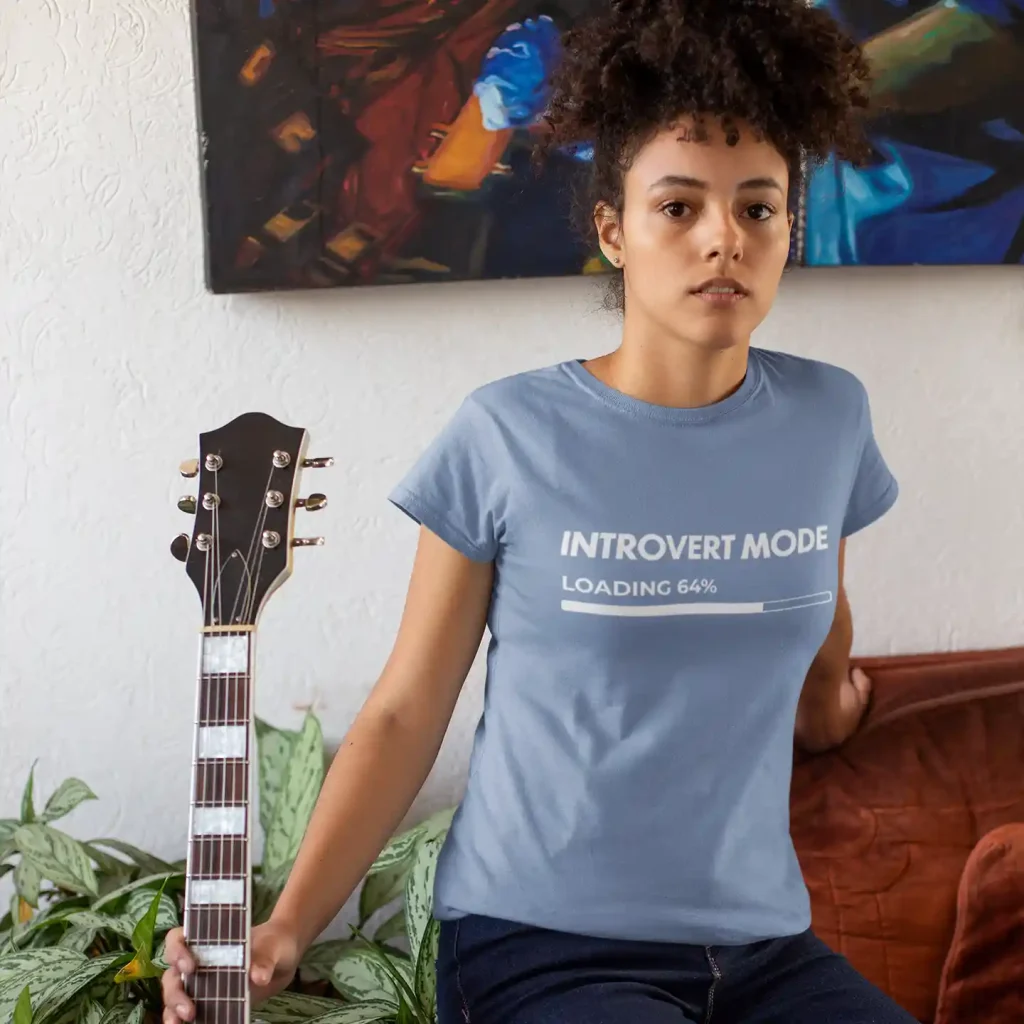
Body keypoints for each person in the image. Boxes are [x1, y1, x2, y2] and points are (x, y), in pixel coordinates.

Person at [162, 0, 911, 1020]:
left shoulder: (829, 419)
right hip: (542, 946)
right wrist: (287, 926)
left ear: (788, 228)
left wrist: (834, 707)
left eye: (758, 208)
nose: (722, 241)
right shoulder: (506, 433)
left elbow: (814, 630)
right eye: (679, 207)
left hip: (763, 950)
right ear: (612, 229)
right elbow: (404, 708)